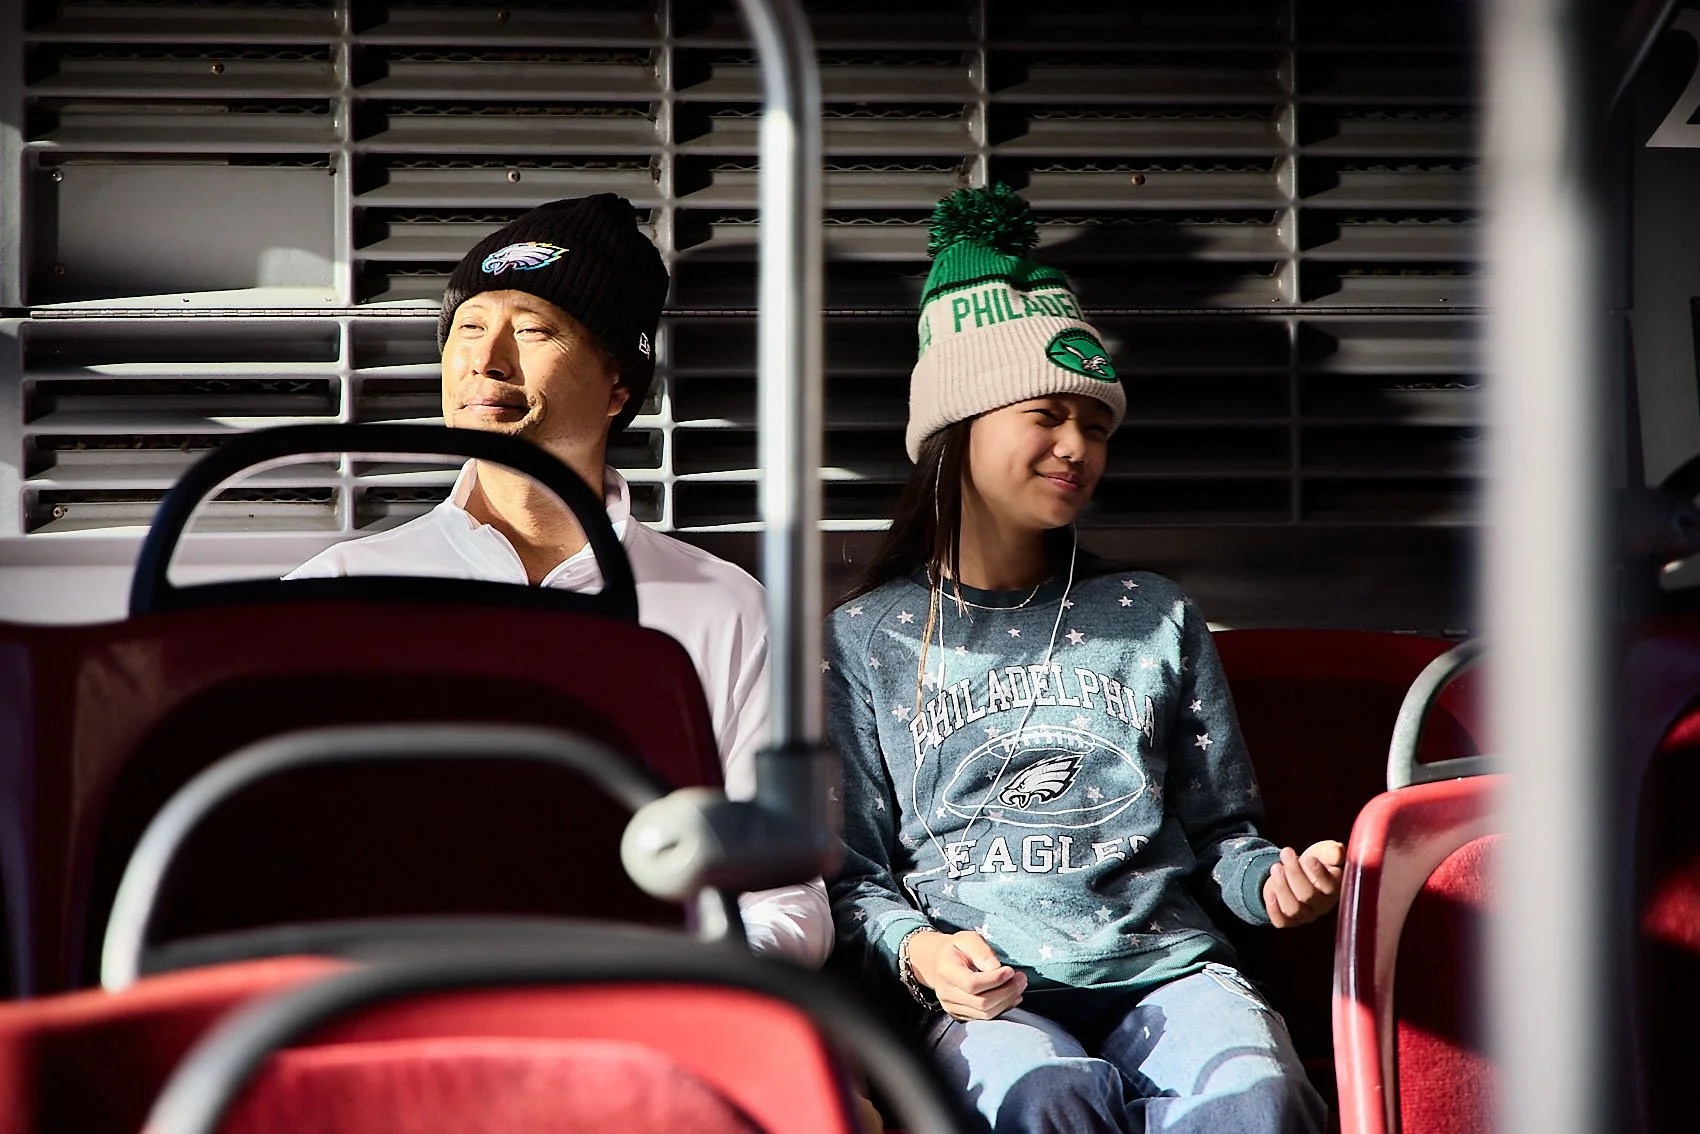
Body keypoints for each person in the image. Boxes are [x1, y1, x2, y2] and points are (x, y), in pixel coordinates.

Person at [825, 185, 1341, 1132]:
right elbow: (853, 878)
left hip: (1172, 972)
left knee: (1256, 1096)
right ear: (959, 425)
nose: (1078, 448)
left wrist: (1274, 886)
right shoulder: (869, 636)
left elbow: (1225, 836)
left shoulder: (1153, 615)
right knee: (1043, 1096)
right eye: (1049, 415)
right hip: (992, 997)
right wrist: (922, 956)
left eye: (1098, 427)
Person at [289, 195, 830, 967]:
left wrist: (694, 987)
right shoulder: (330, 593)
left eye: (533, 330)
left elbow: (782, 897)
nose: (487, 360)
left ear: (619, 386)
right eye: (469, 328)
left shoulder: (727, 609)